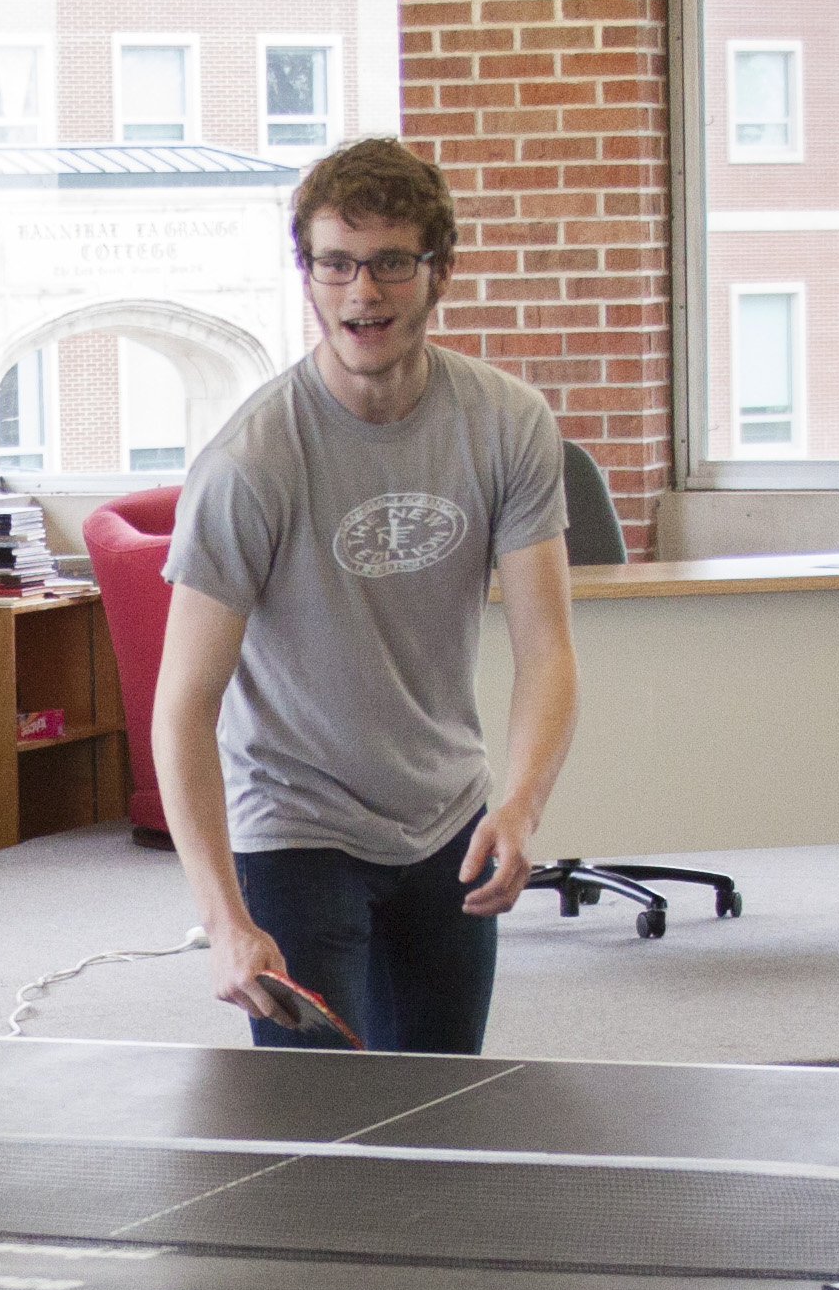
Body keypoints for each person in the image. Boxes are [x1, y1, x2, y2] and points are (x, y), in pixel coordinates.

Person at [149, 138, 581, 1055]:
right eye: (336, 263)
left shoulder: (508, 425)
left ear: (439, 272)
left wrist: (520, 806)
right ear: (307, 273)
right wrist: (225, 920)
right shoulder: (251, 463)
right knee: (316, 1122)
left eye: (390, 263)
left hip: (447, 822)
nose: (362, 292)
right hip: (296, 827)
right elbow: (183, 706)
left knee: (439, 1108)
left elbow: (547, 651)